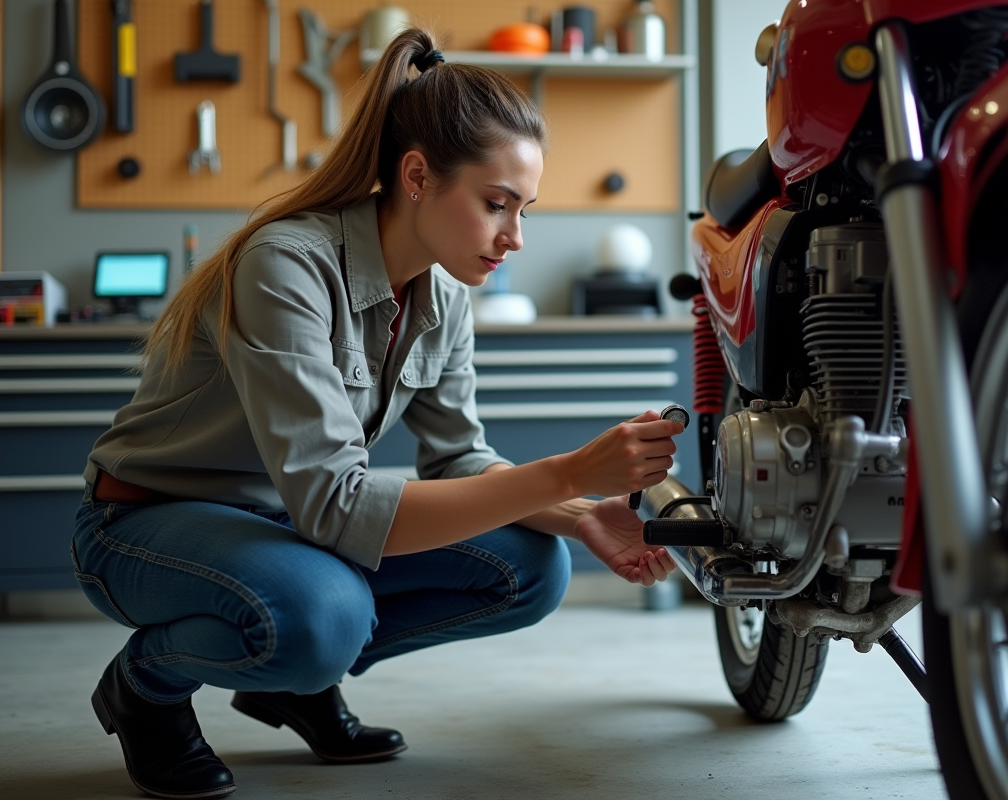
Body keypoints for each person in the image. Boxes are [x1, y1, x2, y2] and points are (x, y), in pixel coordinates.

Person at [72, 29, 682, 800]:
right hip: (143, 526)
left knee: (529, 568)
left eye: (524, 209)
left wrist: (582, 514)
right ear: (417, 176)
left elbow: (459, 461)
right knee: (320, 615)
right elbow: (335, 506)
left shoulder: (446, 295)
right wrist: (567, 473)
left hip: (282, 526)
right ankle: (147, 687)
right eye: (496, 204)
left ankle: (293, 680)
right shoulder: (286, 264)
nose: (516, 237)